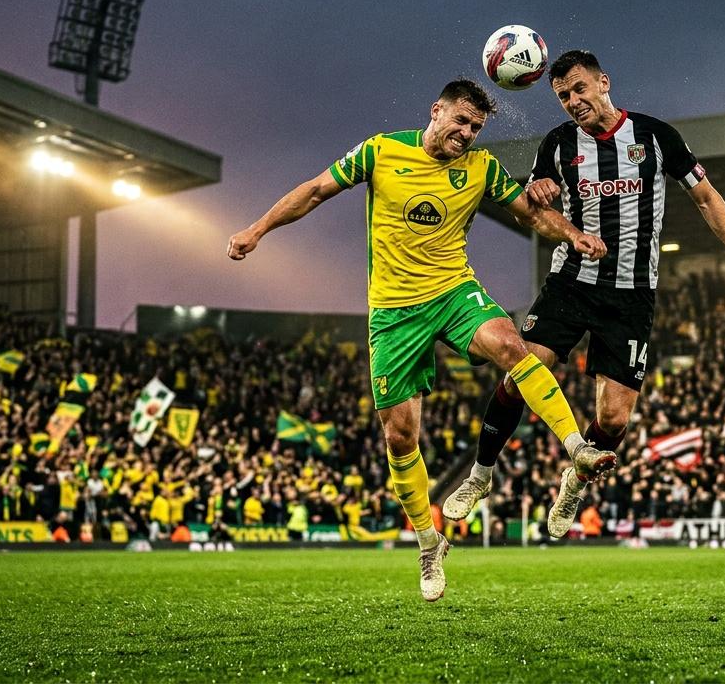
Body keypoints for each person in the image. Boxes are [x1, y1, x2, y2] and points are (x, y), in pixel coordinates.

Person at [227, 79, 611, 601]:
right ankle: (430, 544)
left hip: (453, 291)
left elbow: (530, 213)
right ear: (436, 111)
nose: (468, 133)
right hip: (393, 312)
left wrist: (573, 234)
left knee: (511, 346)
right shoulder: (381, 151)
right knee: (400, 437)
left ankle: (576, 448)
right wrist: (257, 229)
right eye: (461, 121)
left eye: (476, 127)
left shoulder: (481, 168)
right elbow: (315, 191)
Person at [443, 50, 725, 537]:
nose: (573, 101)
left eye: (579, 89)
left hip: (631, 294)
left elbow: (705, 197)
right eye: (562, 96)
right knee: (521, 372)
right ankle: (479, 475)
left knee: (614, 421)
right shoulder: (558, 144)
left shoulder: (655, 136)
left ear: (603, 82)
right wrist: (540, 190)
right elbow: (534, 206)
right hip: (571, 282)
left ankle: (574, 483)